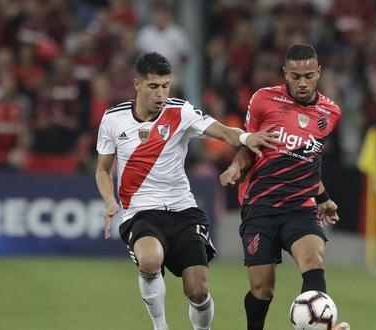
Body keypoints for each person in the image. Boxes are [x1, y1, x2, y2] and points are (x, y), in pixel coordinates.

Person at [95, 52, 274, 330]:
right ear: (137, 85)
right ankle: (160, 326)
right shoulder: (113, 119)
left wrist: (247, 137)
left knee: (198, 291)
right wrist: (109, 200)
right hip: (140, 211)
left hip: (182, 210)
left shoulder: (181, 112)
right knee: (151, 259)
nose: (161, 94)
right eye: (154, 86)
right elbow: (103, 170)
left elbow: (224, 132)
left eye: (165, 85)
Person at [220, 43, 349, 330]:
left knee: (313, 261)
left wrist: (323, 198)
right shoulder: (263, 100)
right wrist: (234, 167)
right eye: (295, 76)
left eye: (308, 76)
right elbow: (249, 145)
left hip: (300, 207)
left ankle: (319, 326)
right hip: (261, 206)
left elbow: (307, 161)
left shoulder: (330, 113)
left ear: (318, 73)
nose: (302, 83)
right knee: (262, 290)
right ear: (285, 74)